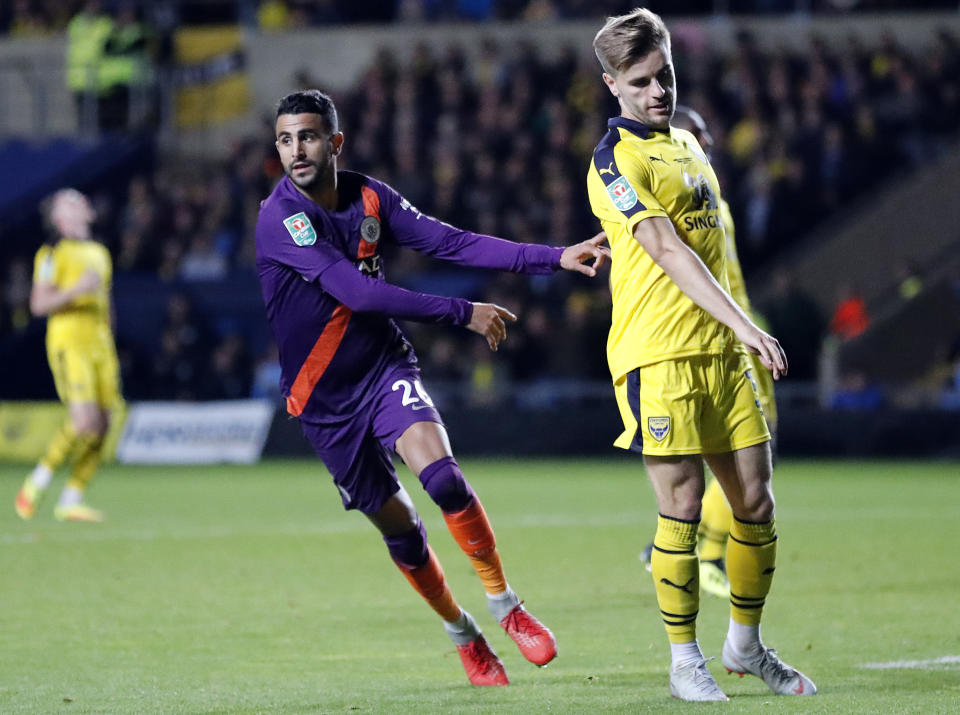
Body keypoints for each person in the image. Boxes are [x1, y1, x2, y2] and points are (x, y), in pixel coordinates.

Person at [255, 89, 609, 686]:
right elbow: (358, 292)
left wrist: (553, 258)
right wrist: (460, 310)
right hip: (322, 401)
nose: (297, 150)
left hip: (382, 368)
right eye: (286, 139)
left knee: (442, 477)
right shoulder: (281, 217)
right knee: (399, 528)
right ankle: (461, 631)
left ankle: (506, 605)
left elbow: (452, 241)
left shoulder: (372, 197)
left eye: (309, 136)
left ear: (335, 142)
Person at [587, 9, 816, 702]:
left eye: (665, 75)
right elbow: (663, 246)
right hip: (659, 355)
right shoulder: (613, 161)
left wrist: (735, 331)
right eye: (642, 81)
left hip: (721, 350)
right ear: (612, 85)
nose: (658, 91)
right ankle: (684, 658)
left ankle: (744, 643)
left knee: (754, 499)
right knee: (682, 505)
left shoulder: (688, 142)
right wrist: (747, 323)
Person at [637, 105, 780, 602]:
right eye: (693, 135)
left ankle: (705, 554)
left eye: (703, 137)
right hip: (705, 338)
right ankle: (707, 551)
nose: (703, 144)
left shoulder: (710, 197)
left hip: (734, 333)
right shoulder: (664, 197)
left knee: (750, 469)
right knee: (723, 467)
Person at [15, 189, 120, 523]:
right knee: (83, 421)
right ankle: (36, 483)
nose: (78, 206)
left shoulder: (100, 252)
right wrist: (76, 290)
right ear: (59, 218)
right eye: (69, 203)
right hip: (69, 341)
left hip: (100, 345)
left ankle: (71, 499)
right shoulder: (51, 254)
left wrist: (110, 337)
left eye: (80, 202)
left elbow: (106, 300)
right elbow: (38, 304)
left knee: (104, 425)